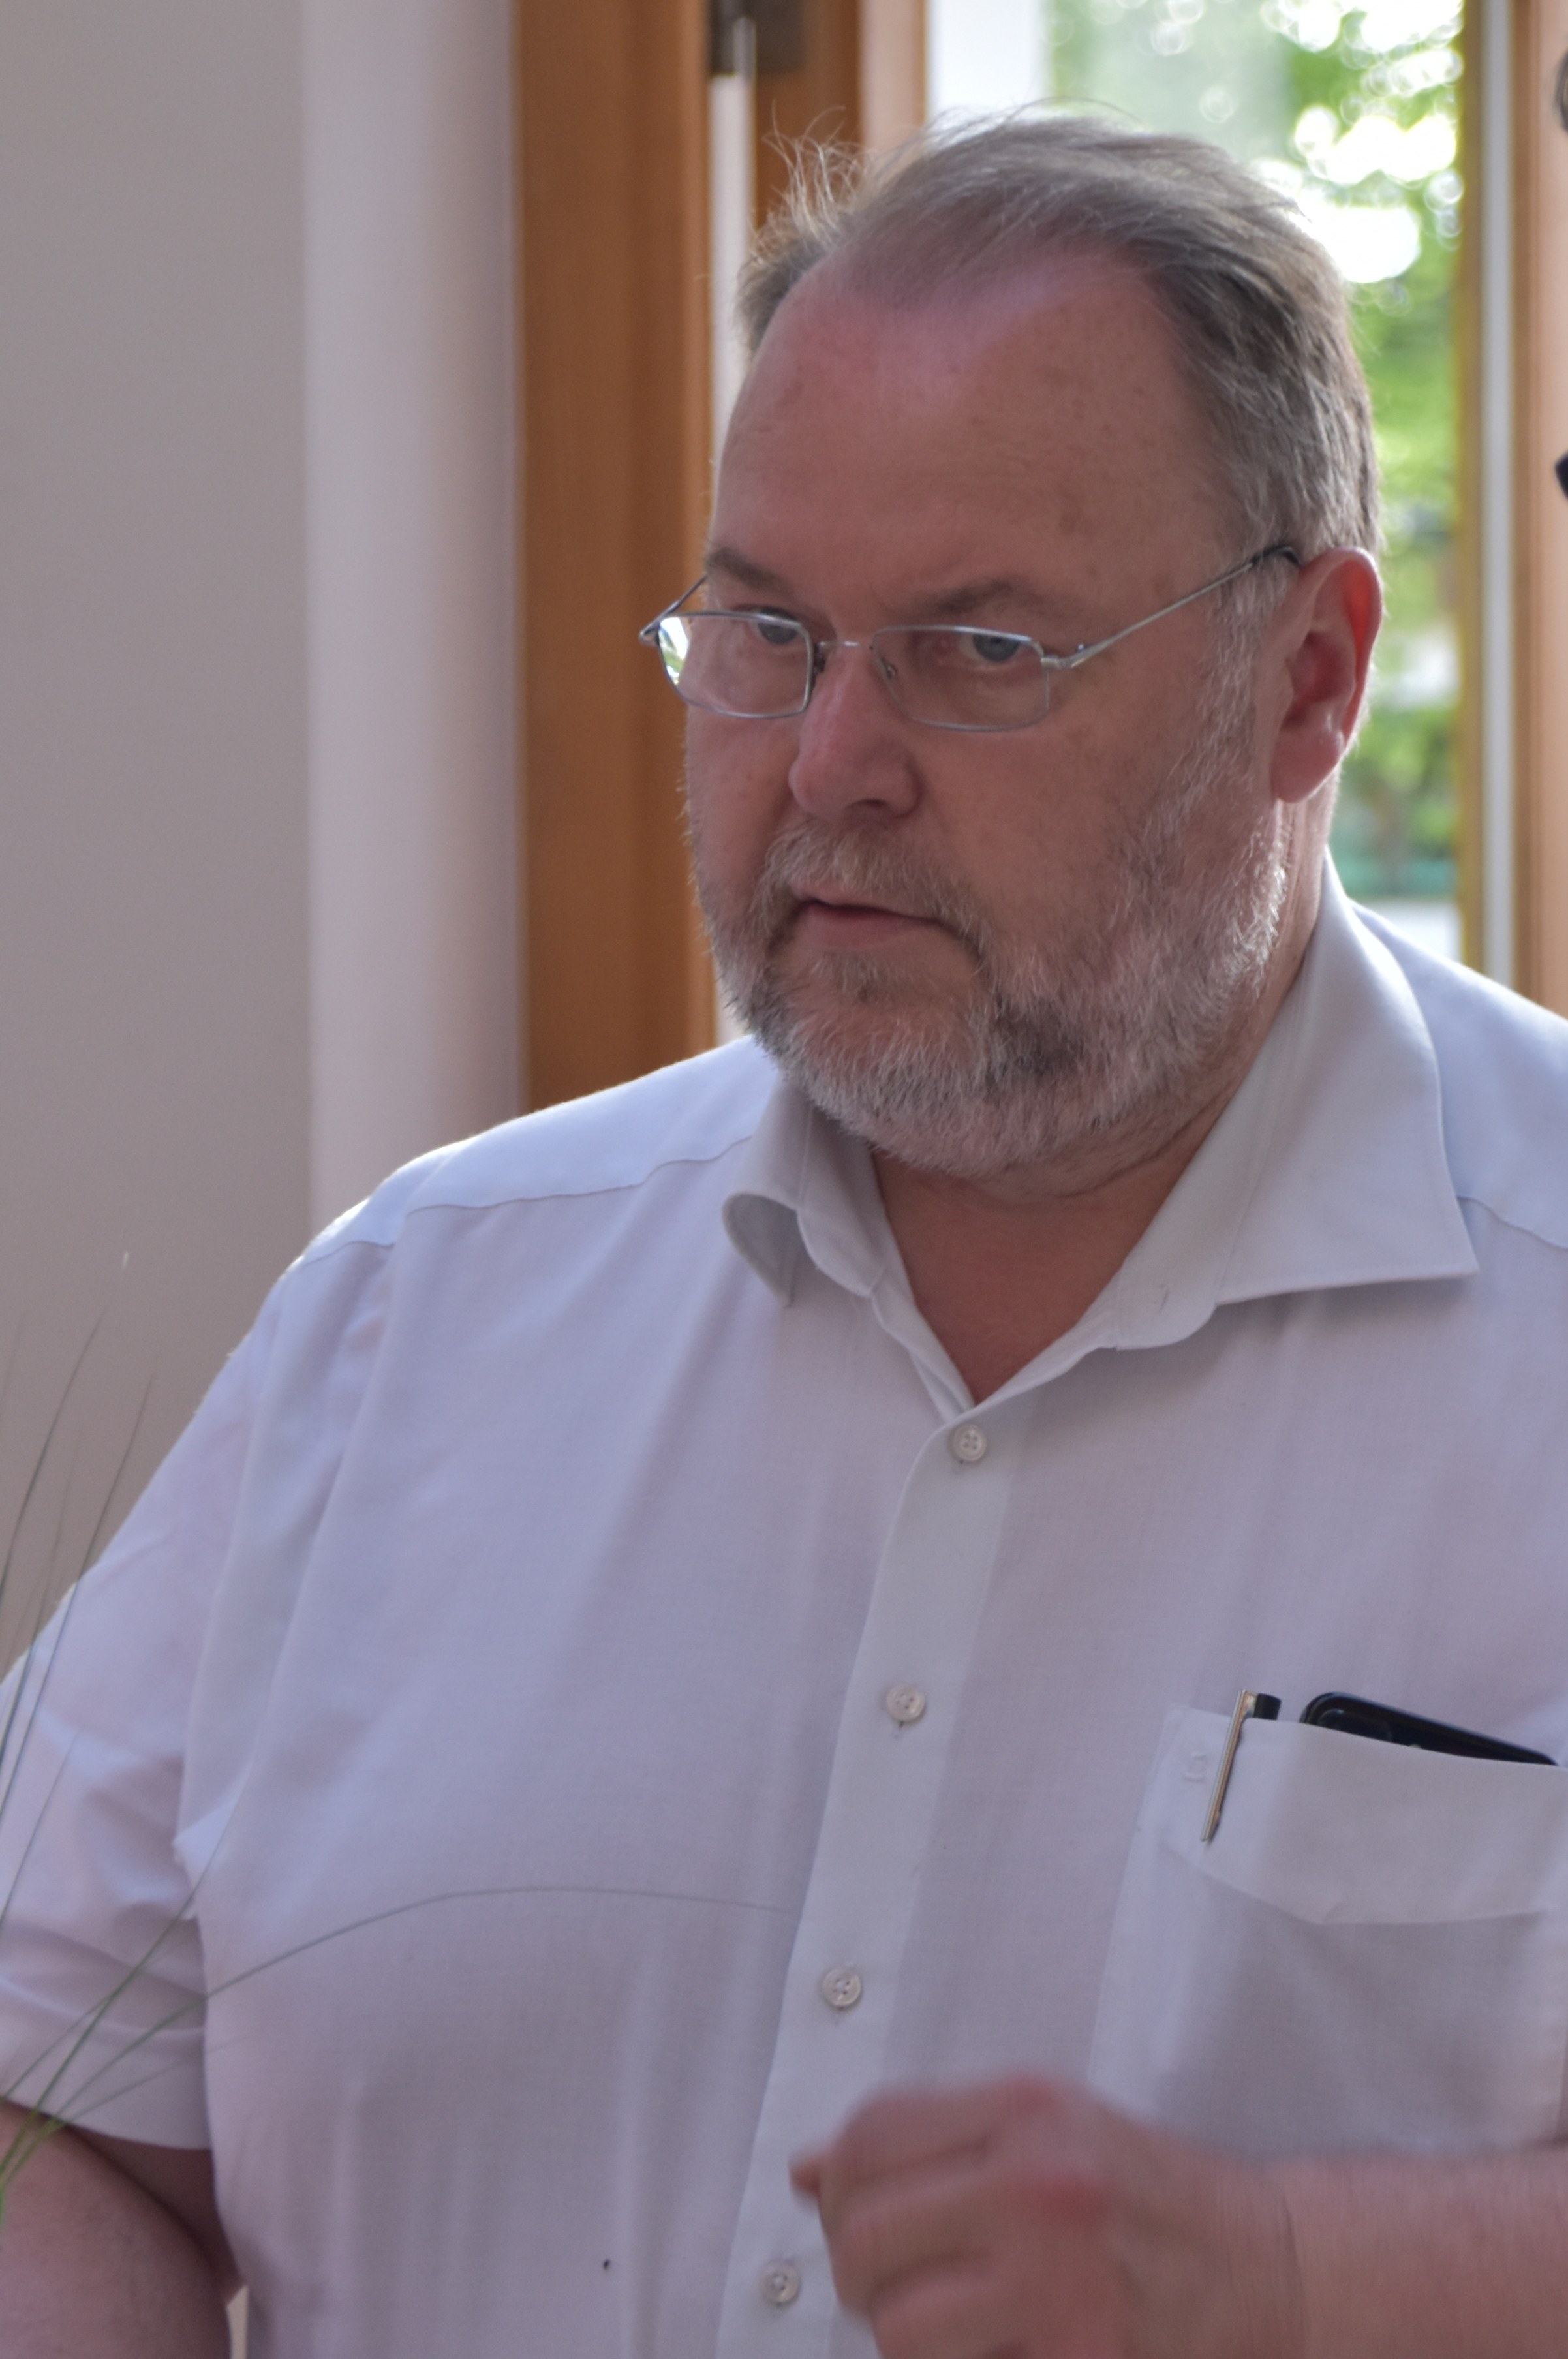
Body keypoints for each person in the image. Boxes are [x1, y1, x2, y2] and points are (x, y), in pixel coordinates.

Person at [4, 114, 1568, 2359]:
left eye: (981, 649)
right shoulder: (412, 1317)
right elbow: (51, 2112)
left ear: (1307, 679)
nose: (828, 762)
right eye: (762, 633)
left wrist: (1293, 2282)